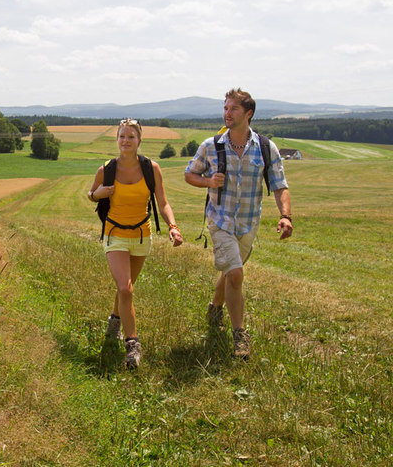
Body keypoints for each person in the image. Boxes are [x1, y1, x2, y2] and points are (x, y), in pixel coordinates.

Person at [184, 88, 293, 359]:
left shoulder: (266, 148)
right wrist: (208, 181)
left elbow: (279, 185)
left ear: (248, 114)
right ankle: (239, 336)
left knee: (230, 271)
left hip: (248, 224)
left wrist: (285, 215)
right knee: (235, 274)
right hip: (220, 221)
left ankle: (215, 307)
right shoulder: (211, 146)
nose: (227, 113)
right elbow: (189, 174)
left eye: (233, 109)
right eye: (225, 108)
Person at [88, 118, 183, 369]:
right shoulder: (106, 169)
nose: (126, 141)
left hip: (142, 235)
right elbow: (91, 194)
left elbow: (163, 202)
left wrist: (173, 227)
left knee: (125, 289)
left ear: (140, 140)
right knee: (126, 289)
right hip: (114, 234)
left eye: (131, 137)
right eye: (122, 136)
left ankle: (114, 322)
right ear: (116, 139)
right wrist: (97, 195)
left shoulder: (151, 169)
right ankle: (133, 346)